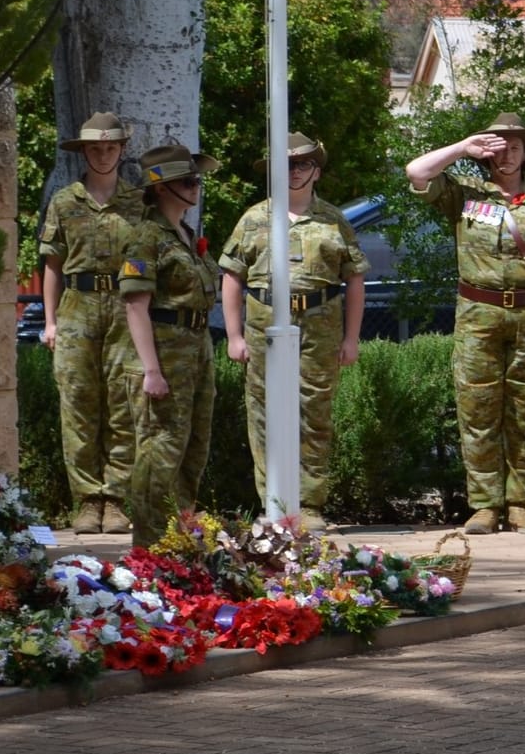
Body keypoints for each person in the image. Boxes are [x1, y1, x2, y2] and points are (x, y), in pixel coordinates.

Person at [404, 113, 525, 535]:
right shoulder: (465, 193)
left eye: (515, 147)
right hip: (478, 316)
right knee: (477, 409)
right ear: (487, 153)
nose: (507, 155)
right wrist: (463, 147)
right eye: (498, 147)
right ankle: (484, 506)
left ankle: (521, 505)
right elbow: (417, 172)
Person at [219, 133, 370, 532]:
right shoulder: (254, 218)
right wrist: (234, 336)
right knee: (264, 412)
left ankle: (311, 504)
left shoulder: (333, 219)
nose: (294, 171)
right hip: (264, 323)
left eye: (303, 164)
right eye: (286, 165)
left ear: (316, 172)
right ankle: (274, 502)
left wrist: (351, 338)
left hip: (321, 325)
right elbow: (232, 277)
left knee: (314, 414)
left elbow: (355, 279)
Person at [40, 112, 143, 535]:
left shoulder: (139, 203)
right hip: (77, 306)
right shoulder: (65, 201)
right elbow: (52, 265)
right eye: (95, 148)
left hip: (125, 307)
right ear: (83, 152)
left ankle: (115, 499)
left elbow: (148, 262)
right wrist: (49, 322)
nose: (103, 154)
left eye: (110, 147)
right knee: (78, 404)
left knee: (123, 404)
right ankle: (87, 500)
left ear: (121, 150)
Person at [119, 142, 222, 549]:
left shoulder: (185, 235)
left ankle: (178, 540)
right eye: (187, 181)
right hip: (163, 355)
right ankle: (148, 549)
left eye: (196, 180)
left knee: (193, 449)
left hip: (195, 352)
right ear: (161, 188)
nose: (196, 186)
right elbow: (135, 305)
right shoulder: (147, 236)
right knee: (160, 453)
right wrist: (151, 371)